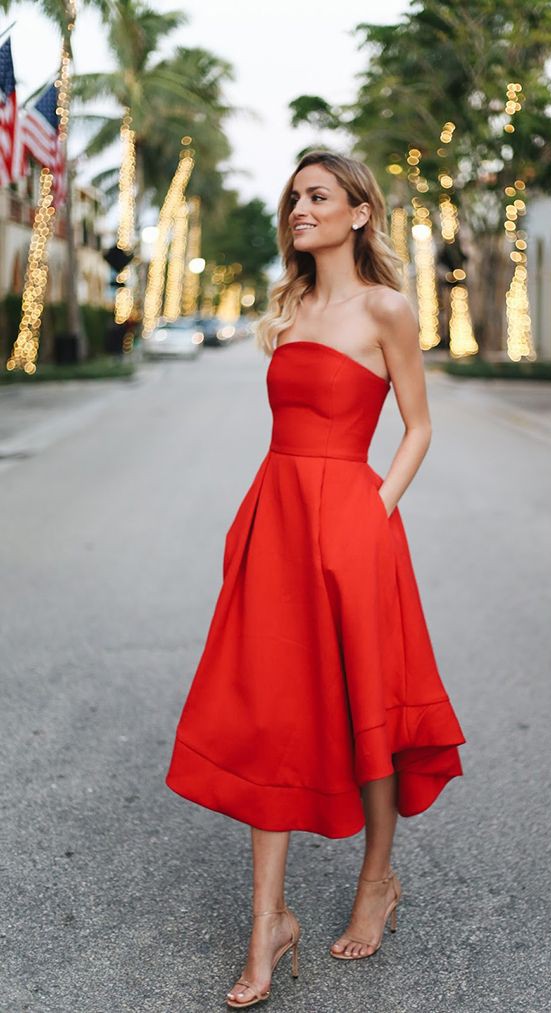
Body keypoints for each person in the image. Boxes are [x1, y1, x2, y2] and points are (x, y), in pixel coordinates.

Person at [165, 149, 466, 1008]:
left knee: (364, 696)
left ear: (358, 212)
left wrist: (376, 509)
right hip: (276, 517)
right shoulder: (291, 305)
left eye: (318, 195)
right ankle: (268, 921)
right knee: (273, 708)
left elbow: (416, 425)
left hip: (353, 521)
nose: (300, 208)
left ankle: (377, 877)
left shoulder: (387, 309)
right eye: (294, 196)